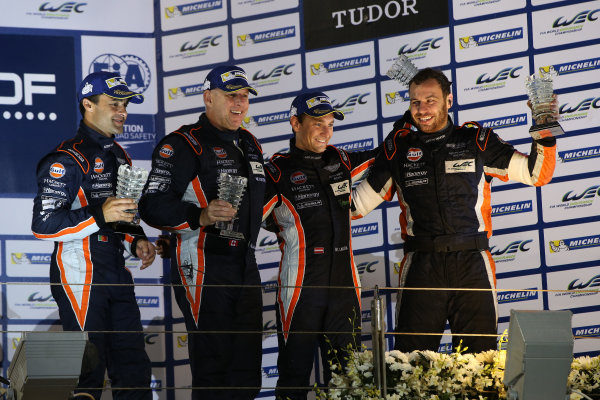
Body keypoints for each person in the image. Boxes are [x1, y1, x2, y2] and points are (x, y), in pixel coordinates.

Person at [352, 68, 558, 353]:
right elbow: (355, 206)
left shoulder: (476, 141)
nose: (422, 109)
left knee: (480, 363)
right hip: (421, 267)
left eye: (430, 100)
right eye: (415, 102)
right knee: (411, 366)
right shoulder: (398, 149)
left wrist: (544, 125)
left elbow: (537, 174)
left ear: (449, 100)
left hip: (472, 265)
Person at [138, 65, 265, 400]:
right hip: (204, 264)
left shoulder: (250, 143)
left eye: (244, 96)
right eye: (230, 95)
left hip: (245, 264)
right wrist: (201, 215)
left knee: (248, 370)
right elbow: (151, 204)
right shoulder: (183, 144)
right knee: (214, 368)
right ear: (209, 98)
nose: (239, 103)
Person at [31, 71, 155, 399]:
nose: (123, 111)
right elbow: (43, 226)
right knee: (88, 374)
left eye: (125, 104)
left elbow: (121, 215)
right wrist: (101, 214)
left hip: (116, 272)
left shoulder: (118, 156)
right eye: (114, 103)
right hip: (79, 274)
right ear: (88, 104)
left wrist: (136, 238)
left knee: (134, 371)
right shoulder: (66, 158)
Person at [262, 92, 377, 400]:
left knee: (349, 377)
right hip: (300, 286)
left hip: (344, 285)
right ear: (295, 123)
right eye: (317, 123)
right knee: (294, 375)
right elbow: (247, 217)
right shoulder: (276, 170)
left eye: (330, 124)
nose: (326, 131)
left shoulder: (339, 161)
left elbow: (385, 154)